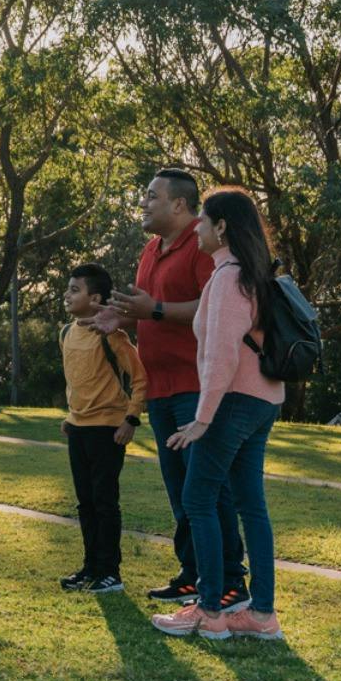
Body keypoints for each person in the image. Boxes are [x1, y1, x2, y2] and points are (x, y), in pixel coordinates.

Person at [91, 169, 249, 610]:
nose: (143, 203)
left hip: (195, 387)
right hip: (159, 388)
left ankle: (231, 581)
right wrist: (120, 318)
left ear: (179, 204)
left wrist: (154, 310)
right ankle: (193, 574)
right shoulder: (150, 249)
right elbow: (147, 311)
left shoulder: (204, 243)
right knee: (181, 490)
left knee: (208, 490)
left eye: (151, 196)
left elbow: (213, 306)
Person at [152, 188, 286, 641]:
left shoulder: (228, 278)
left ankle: (209, 611)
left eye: (204, 221)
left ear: (222, 227)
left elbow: (221, 356)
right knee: (251, 505)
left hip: (234, 401)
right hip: (264, 400)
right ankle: (261, 615)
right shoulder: (252, 274)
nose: (197, 229)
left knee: (198, 498)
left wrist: (203, 418)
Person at [58, 263, 147, 595]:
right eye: (68, 289)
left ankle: (110, 572)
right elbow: (78, 381)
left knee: (104, 502)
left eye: (75, 290)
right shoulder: (66, 333)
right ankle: (90, 567)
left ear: (95, 299)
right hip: (78, 430)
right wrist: (71, 416)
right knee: (85, 503)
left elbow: (140, 379)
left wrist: (131, 419)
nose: (67, 295)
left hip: (108, 431)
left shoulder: (113, 336)